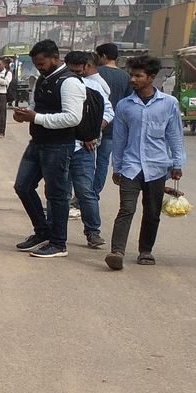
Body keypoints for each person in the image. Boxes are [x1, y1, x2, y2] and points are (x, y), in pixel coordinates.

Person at [106, 55, 185, 270]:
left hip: (158, 166)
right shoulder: (124, 105)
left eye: (138, 76)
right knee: (126, 209)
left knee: (152, 211)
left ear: (151, 78)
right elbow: (119, 138)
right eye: (132, 75)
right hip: (131, 166)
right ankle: (117, 252)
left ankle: (145, 250)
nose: (133, 79)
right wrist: (117, 166)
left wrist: (177, 164)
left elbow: (175, 136)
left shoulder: (169, 104)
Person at [12, 39, 85, 259]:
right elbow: (37, 107)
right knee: (22, 186)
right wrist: (26, 115)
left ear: (55, 58)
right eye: (36, 64)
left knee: (56, 195)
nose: (39, 67)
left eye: (42, 63)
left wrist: (37, 117)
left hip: (59, 145)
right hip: (38, 142)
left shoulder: (69, 82)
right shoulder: (43, 80)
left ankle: (58, 242)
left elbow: (73, 117)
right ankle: (42, 231)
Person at [69, 50, 112, 251]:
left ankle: (93, 232)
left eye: (78, 71)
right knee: (57, 192)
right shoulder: (57, 85)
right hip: (59, 147)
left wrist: (92, 133)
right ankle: (52, 232)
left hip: (83, 149)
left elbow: (108, 112)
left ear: (86, 68)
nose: (75, 75)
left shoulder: (94, 87)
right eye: (71, 71)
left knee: (86, 191)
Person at [92, 43, 131, 191]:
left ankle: (82, 195)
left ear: (103, 56)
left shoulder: (95, 73)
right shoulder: (126, 77)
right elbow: (128, 104)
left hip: (93, 125)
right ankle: (94, 193)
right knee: (102, 162)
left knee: (87, 162)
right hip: (113, 127)